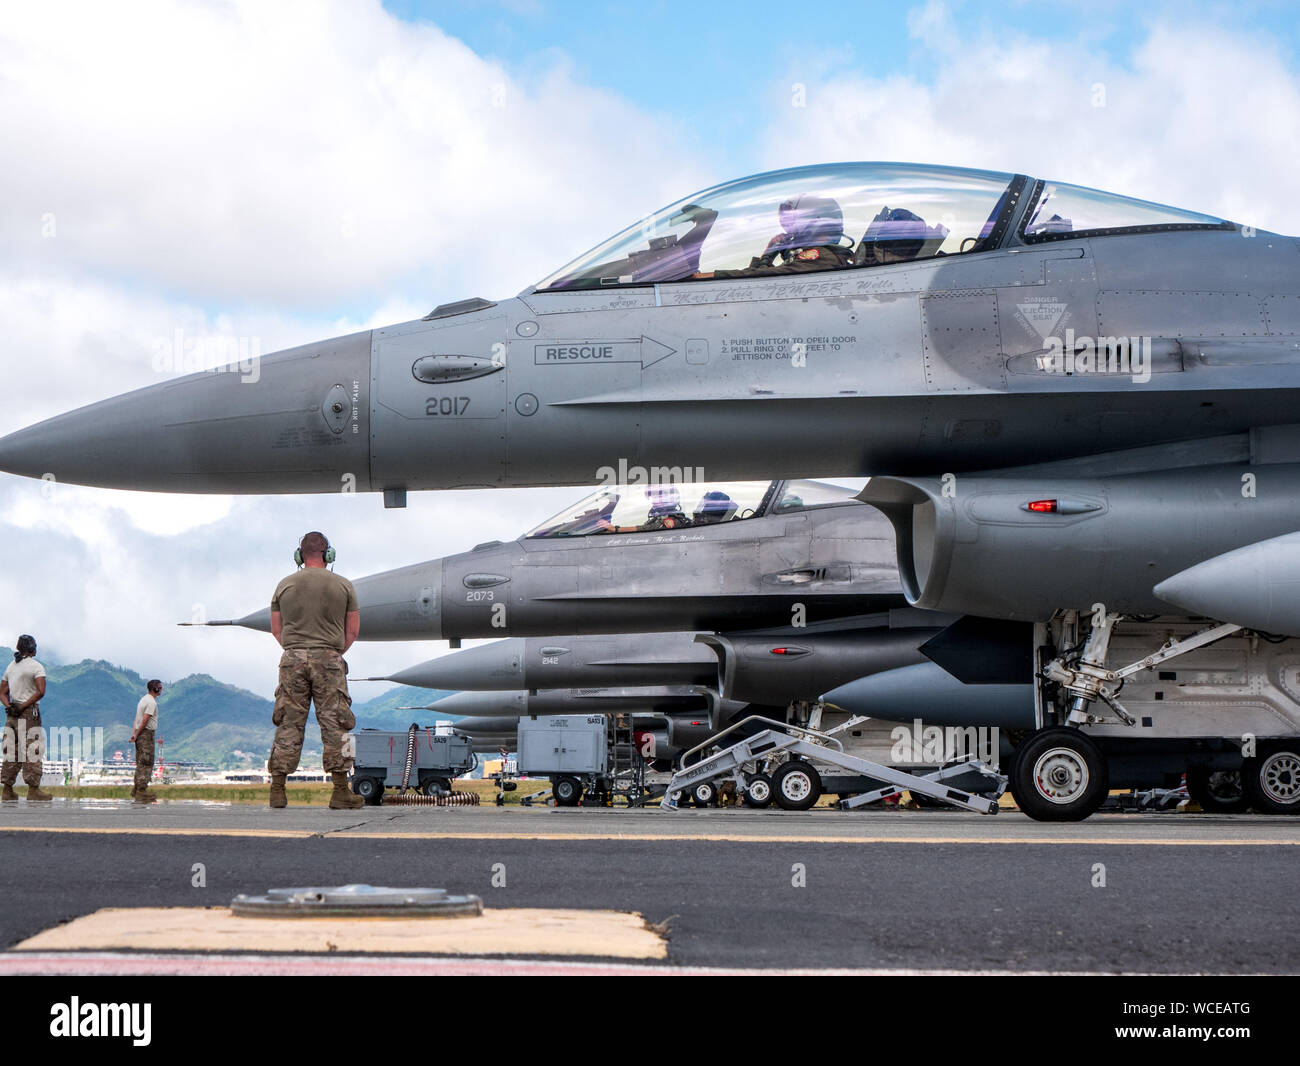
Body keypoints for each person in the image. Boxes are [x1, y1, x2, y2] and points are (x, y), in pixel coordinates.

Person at [267, 532, 363, 810]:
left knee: (288, 721)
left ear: (299, 555)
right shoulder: (343, 585)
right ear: (328, 554)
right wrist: (331, 653)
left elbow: (277, 630)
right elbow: (353, 631)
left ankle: (277, 789)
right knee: (337, 723)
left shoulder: (284, 585)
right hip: (329, 659)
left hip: (291, 658)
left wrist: (298, 650)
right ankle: (340, 791)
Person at [694, 194, 854, 279]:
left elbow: (763, 280)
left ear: (815, 221)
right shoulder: (825, 258)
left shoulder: (823, 257)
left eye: (793, 226)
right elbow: (751, 286)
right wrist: (767, 256)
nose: (789, 233)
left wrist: (705, 278)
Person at [1, 634, 51, 802]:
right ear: (32, 648)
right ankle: (33, 790)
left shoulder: (11, 666)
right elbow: (40, 691)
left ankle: (7, 790)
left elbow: (2, 692)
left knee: (11, 751)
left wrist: (9, 707)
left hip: (11, 714)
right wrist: (23, 706)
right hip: (28, 713)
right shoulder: (36, 667)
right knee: (32, 750)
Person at [130, 680, 162, 804]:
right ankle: (141, 791)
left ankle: (136, 789)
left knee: (140, 763)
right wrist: (137, 734)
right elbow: (144, 720)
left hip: (140, 733)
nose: (161, 689)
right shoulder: (151, 702)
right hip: (146, 734)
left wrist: (134, 734)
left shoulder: (143, 700)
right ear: (154, 689)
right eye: (159, 687)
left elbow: (136, 719)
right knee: (147, 763)